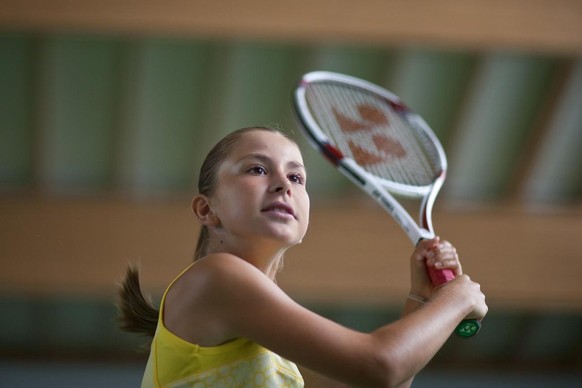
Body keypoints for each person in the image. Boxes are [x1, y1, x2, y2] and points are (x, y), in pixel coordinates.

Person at [118, 126, 487, 387]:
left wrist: (422, 300)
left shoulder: (274, 357)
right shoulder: (216, 277)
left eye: (297, 178)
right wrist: (458, 297)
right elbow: (380, 365)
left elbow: (379, 383)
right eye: (258, 169)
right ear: (206, 209)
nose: (283, 184)